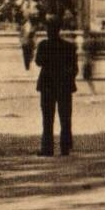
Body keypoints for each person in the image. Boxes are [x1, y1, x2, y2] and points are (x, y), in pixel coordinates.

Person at [34, 14, 78, 156]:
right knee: (65, 117)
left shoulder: (43, 45)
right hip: (63, 86)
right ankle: (65, 147)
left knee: (47, 118)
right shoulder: (69, 46)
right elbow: (74, 68)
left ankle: (47, 148)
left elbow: (38, 62)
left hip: (47, 85)